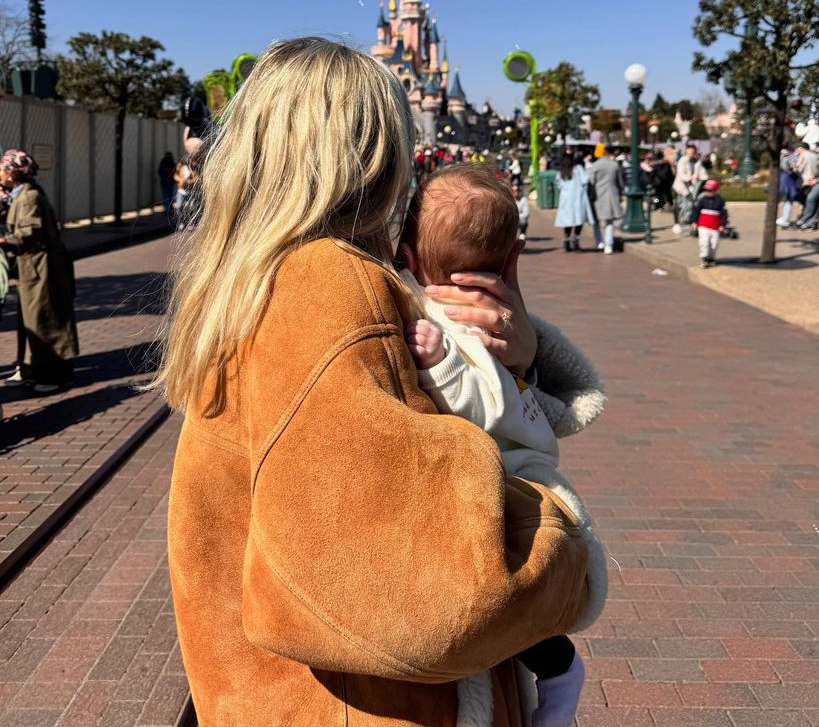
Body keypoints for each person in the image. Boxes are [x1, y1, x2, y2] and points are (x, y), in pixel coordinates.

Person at [157, 38, 596, 727]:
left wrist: (514, 361)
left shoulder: (251, 283)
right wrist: (560, 534)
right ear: (372, 160)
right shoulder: (328, 287)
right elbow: (434, 604)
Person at [398, 165, 607, 727]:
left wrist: (441, 364)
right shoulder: (483, 313)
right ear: (510, 257)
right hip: (506, 464)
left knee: (509, 592)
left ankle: (560, 670)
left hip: (516, 470)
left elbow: (487, 400)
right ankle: (557, 669)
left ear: (411, 259)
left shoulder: (455, 323)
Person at [0, 150, 79, 392]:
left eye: (2, 169)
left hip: (41, 268)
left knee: (45, 319)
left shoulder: (29, 198)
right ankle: (31, 369)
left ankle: (52, 376)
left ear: (13, 173)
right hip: (34, 268)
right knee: (33, 318)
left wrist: (4, 241)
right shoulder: (22, 195)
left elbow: (29, 233)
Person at [586, 146, 624, 255]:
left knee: (596, 220)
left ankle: (599, 241)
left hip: (598, 196)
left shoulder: (595, 166)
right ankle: (608, 244)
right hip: (612, 195)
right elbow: (620, 182)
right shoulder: (614, 165)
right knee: (609, 221)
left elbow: (590, 182)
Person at [554, 153, 593, 251]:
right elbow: (585, 180)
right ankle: (576, 241)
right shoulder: (578, 169)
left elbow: (559, 185)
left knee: (568, 221)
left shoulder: (561, 172)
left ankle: (566, 241)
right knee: (578, 220)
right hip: (578, 198)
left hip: (566, 199)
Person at [689, 178, 729, 268]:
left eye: (710, 190)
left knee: (714, 244)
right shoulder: (702, 200)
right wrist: (694, 221)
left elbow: (724, 214)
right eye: (706, 190)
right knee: (704, 242)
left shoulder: (720, 201)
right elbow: (696, 211)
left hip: (715, 226)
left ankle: (711, 258)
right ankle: (704, 258)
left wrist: (723, 224)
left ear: (715, 191)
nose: (708, 192)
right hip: (703, 226)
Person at [672, 144, 707, 234]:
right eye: (688, 152)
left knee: (692, 204)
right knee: (678, 204)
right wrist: (689, 178)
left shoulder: (697, 162)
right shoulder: (682, 160)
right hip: (680, 186)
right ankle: (677, 223)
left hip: (692, 186)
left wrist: (704, 178)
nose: (690, 154)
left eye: (692, 152)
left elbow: (702, 172)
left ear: (695, 152)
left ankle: (691, 221)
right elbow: (681, 173)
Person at [793, 143, 819, 230]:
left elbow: (798, 169)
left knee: (810, 199)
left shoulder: (804, 155)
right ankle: (810, 221)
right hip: (813, 181)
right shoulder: (815, 155)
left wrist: (795, 167)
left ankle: (805, 221)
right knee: (812, 200)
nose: (816, 148)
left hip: (810, 181)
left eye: (818, 146)